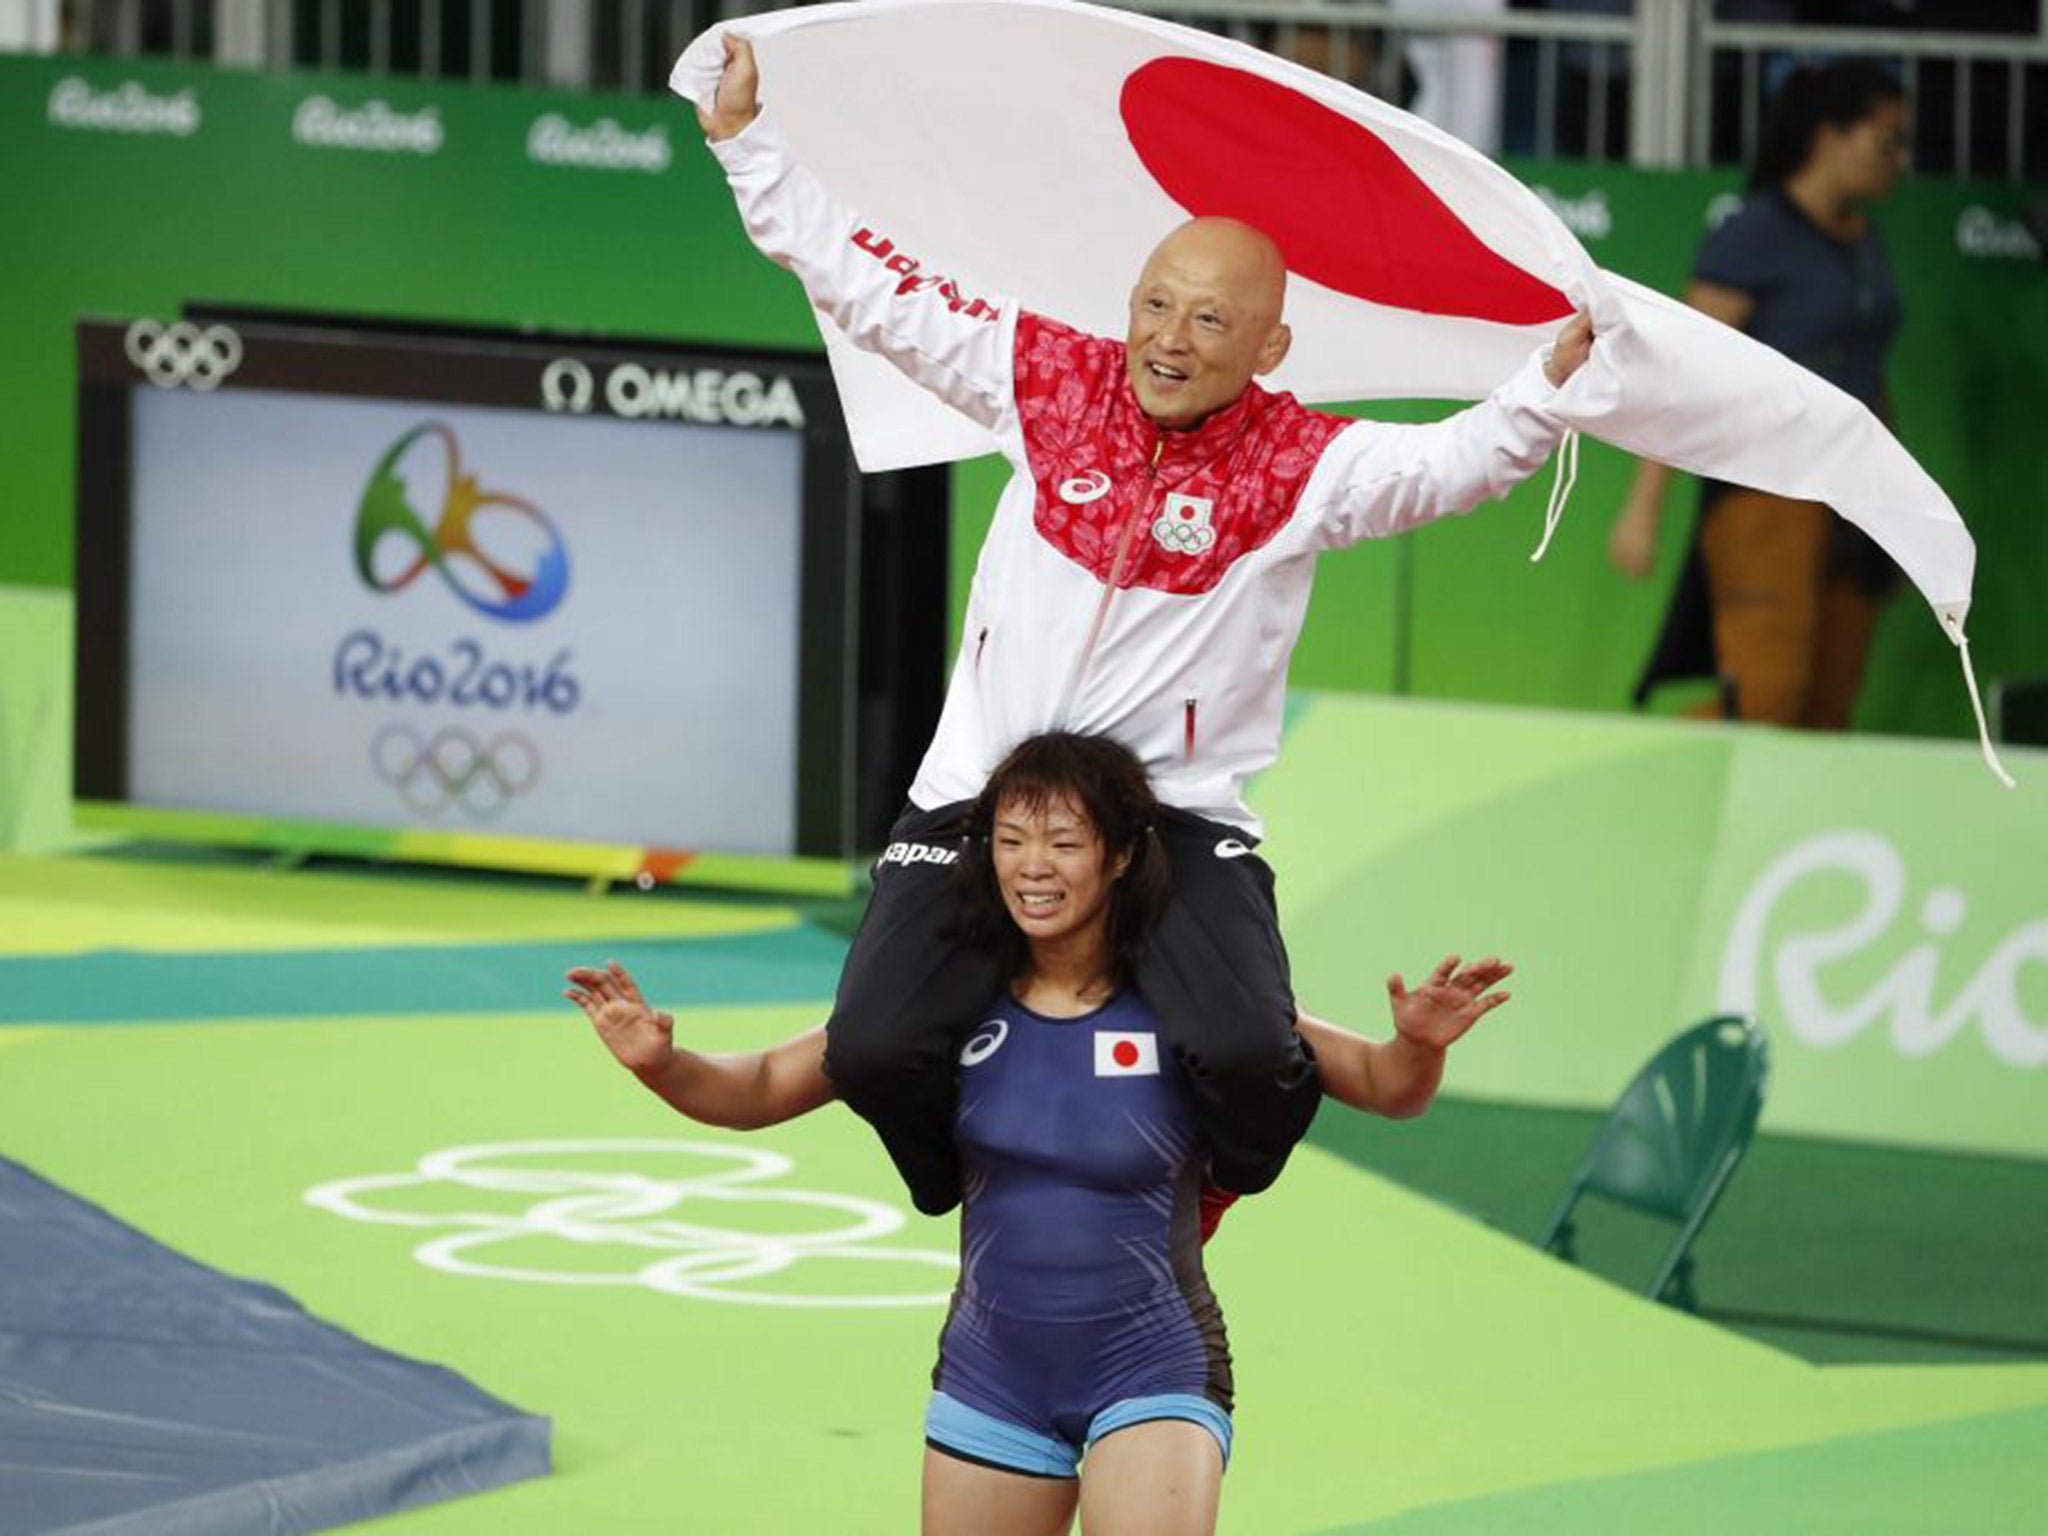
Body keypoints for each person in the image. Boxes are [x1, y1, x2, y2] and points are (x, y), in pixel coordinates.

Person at [696, 34, 1586, 1218]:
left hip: (1175, 817)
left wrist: (1548, 388)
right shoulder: (1045, 379)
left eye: (1211, 321)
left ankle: (1203, 1185)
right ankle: (963, 1172)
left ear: (1267, 347)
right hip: (981, 798)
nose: (1171, 337)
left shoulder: (1303, 463)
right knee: (869, 1047)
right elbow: (874, 286)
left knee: (1250, 1058)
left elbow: (1454, 463)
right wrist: (747, 146)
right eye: (1155, 306)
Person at [566, 730, 1514, 1536]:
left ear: (1120, 857)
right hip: (989, 1381)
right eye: (1011, 841)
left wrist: (1416, 1044)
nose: (1031, 866)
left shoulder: (1192, 1007)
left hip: (1155, 1372)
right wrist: (660, 1065)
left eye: (1063, 842)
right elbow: (767, 1084)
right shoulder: (950, 1005)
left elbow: (1390, 1090)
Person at [1609, 60, 1910, 728]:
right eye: (1887, 141)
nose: (1901, 161)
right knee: (1769, 698)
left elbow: (1864, 368)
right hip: (1766, 494)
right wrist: (1644, 505)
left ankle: (1793, 835)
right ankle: (1647, 789)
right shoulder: (1754, 235)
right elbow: (1680, 371)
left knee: (1828, 706)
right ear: (1830, 136)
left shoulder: (1866, 240)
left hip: (1858, 496)